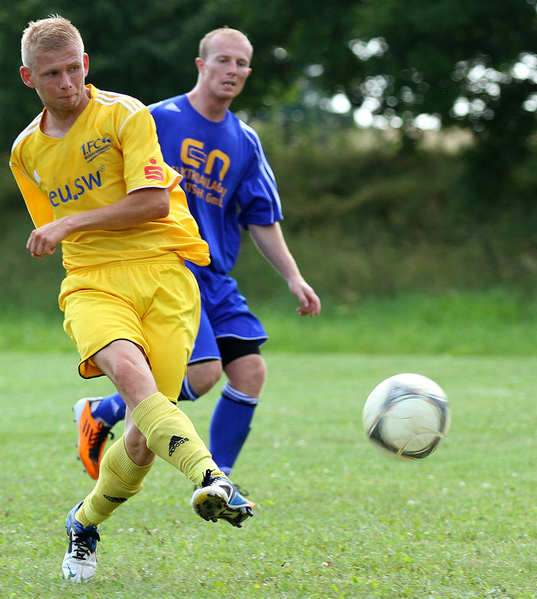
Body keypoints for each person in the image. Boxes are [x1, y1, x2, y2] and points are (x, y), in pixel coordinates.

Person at [8, 15, 253, 584]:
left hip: (165, 275)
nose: (67, 82)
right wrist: (68, 231)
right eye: (52, 74)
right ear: (29, 78)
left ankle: (85, 520)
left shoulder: (125, 114)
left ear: (86, 64)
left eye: (75, 68)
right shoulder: (25, 152)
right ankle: (212, 478)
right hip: (93, 281)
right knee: (131, 377)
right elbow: (61, 232)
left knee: (143, 441)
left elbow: (151, 204)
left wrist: (69, 221)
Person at [75, 27, 321, 485]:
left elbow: (261, 217)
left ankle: (220, 480)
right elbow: (107, 180)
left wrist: (293, 276)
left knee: (249, 371)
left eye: (242, 63)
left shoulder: (244, 141)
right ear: (201, 65)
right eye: (223, 60)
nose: (233, 71)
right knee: (205, 373)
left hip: (214, 274)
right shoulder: (155, 119)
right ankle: (106, 411)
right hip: (167, 267)